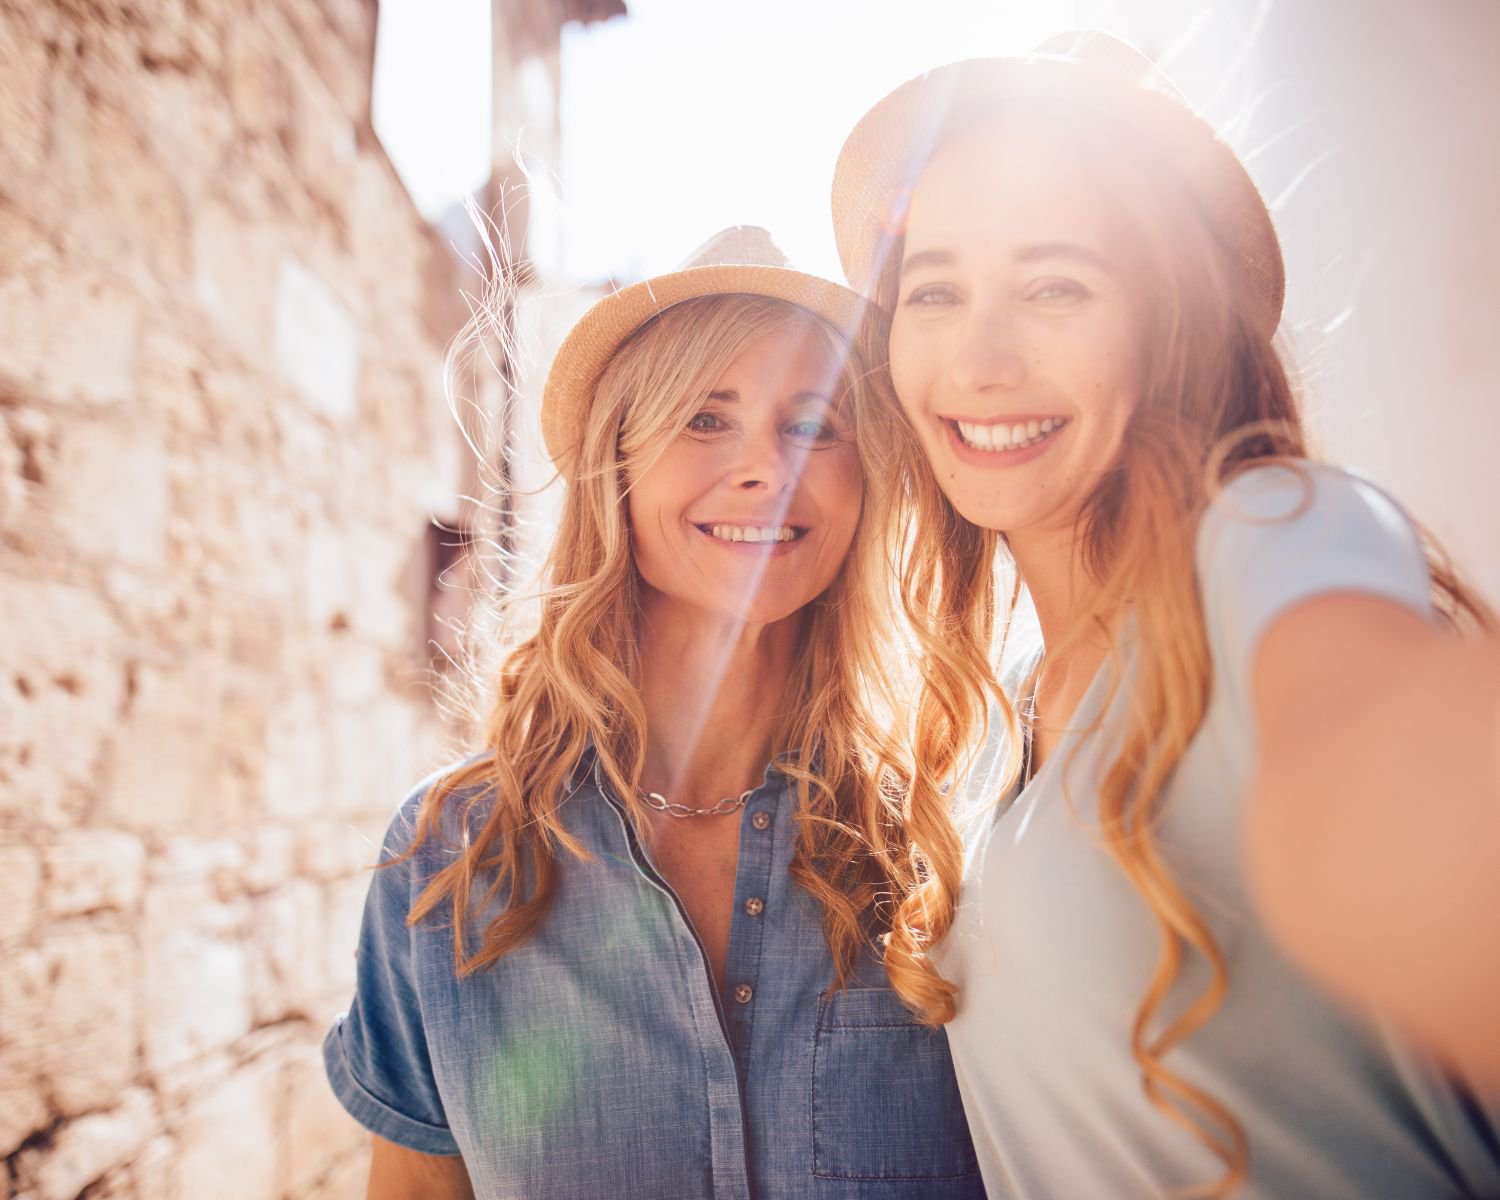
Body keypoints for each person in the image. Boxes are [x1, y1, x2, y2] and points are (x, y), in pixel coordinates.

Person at [830, 31, 1500, 1200]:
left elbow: (1373, 753)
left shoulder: (1271, 536)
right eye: (934, 288)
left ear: (1170, 322)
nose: (980, 360)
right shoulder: (997, 723)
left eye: (1055, 286)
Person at [322, 227, 985, 1199]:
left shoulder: (943, 848)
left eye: (814, 425)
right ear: (616, 471)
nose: (768, 469)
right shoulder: (448, 858)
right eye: (706, 420)